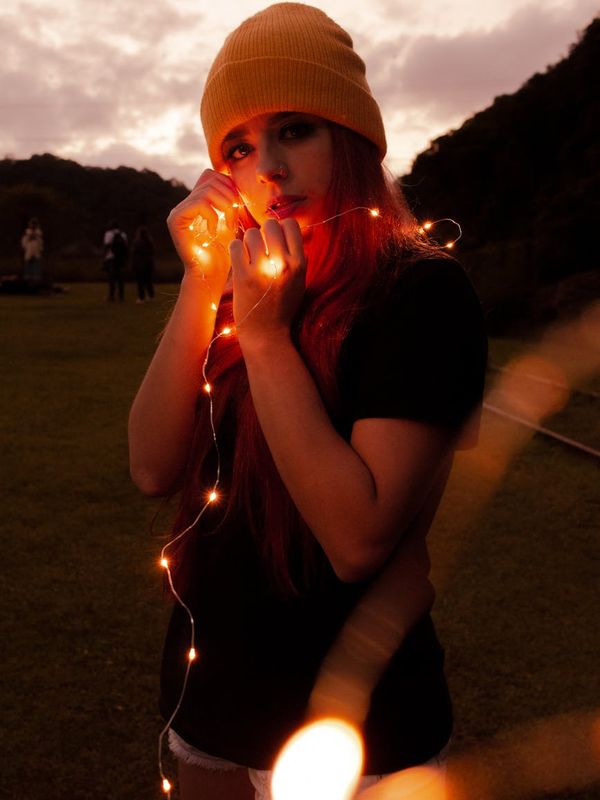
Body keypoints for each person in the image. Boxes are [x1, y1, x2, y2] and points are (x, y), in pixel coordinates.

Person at [128, 4, 487, 799]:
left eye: (295, 130)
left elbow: (357, 539)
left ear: (352, 139)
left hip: (356, 730)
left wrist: (266, 340)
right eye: (240, 147)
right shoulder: (246, 289)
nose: (270, 168)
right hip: (212, 706)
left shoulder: (418, 289)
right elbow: (152, 466)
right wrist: (201, 282)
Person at [103, 219, 128, 301]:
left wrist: (104, 257)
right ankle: (121, 296)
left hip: (111, 258)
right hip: (121, 259)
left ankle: (111, 296)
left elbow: (106, 246)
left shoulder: (108, 234)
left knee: (111, 278)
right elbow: (125, 248)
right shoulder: (123, 234)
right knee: (121, 279)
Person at [131, 225, 156, 303]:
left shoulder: (137, 242)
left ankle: (141, 298)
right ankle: (151, 296)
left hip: (140, 264)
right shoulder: (150, 241)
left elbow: (134, 253)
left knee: (140, 282)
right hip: (149, 264)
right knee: (149, 281)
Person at [21, 217, 44, 285]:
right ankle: (27, 283)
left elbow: (41, 243)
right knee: (28, 269)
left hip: (36, 253)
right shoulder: (26, 233)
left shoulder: (39, 234)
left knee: (36, 269)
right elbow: (23, 242)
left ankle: (37, 282)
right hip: (28, 253)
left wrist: (39, 250)